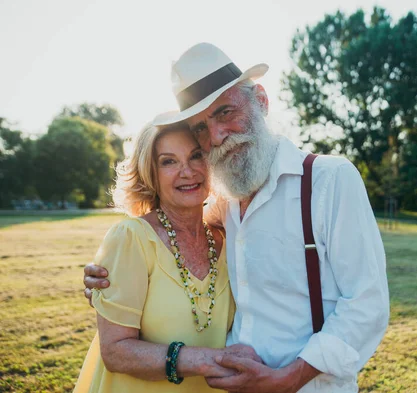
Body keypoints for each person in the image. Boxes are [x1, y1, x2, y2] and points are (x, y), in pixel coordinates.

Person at [84, 42, 390, 393]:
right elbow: (161, 243)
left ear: (260, 99)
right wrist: (109, 280)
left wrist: (286, 380)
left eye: (225, 112)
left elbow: (367, 305)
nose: (216, 136)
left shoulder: (329, 180)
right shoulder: (224, 206)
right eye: (200, 127)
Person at [74, 117, 260, 393]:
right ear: (150, 173)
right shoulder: (131, 238)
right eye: (168, 161)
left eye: (196, 156)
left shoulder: (229, 236)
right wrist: (202, 359)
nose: (187, 171)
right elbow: (115, 351)